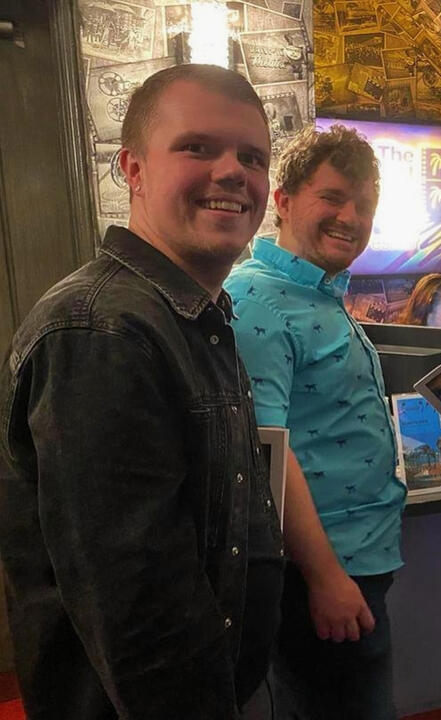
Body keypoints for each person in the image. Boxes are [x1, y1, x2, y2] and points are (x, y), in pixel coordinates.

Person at [0, 64, 284, 718]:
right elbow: (139, 615)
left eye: (252, 156)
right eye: (197, 147)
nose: (234, 172)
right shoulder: (105, 330)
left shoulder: (190, 315)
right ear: (133, 170)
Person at [225, 125, 404, 720]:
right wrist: (324, 578)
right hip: (321, 570)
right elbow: (265, 452)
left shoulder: (318, 294)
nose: (351, 217)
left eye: (365, 204)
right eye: (332, 197)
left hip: (359, 556)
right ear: (283, 199)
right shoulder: (259, 299)